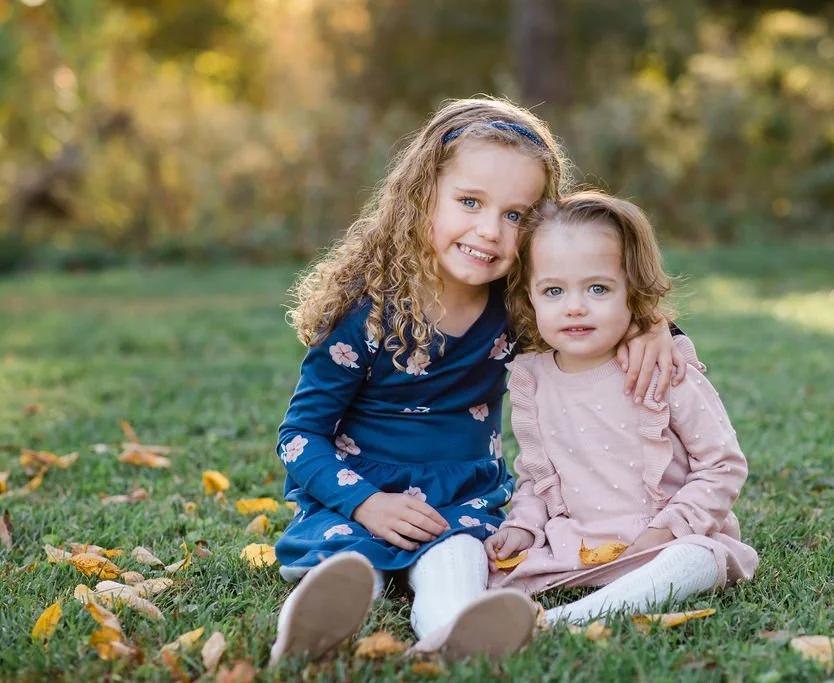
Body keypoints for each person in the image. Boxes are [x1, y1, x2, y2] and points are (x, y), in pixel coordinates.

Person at [269, 99, 688, 664]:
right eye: (469, 202)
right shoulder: (365, 312)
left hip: (462, 500)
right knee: (350, 570)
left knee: (459, 564)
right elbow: (300, 437)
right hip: (357, 497)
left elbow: (595, 313)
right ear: (423, 197)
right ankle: (313, 634)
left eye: (516, 215)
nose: (490, 231)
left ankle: (447, 639)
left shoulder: (518, 308)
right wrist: (366, 504)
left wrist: (655, 326)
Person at [485, 191, 758, 625]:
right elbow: (538, 479)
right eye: (553, 290)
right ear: (529, 297)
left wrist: (667, 529)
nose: (574, 306)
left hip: (664, 540)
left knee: (699, 558)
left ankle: (572, 619)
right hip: (574, 546)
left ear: (633, 291)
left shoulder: (664, 368)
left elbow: (722, 466)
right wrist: (523, 527)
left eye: (598, 288)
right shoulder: (534, 378)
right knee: (490, 566)